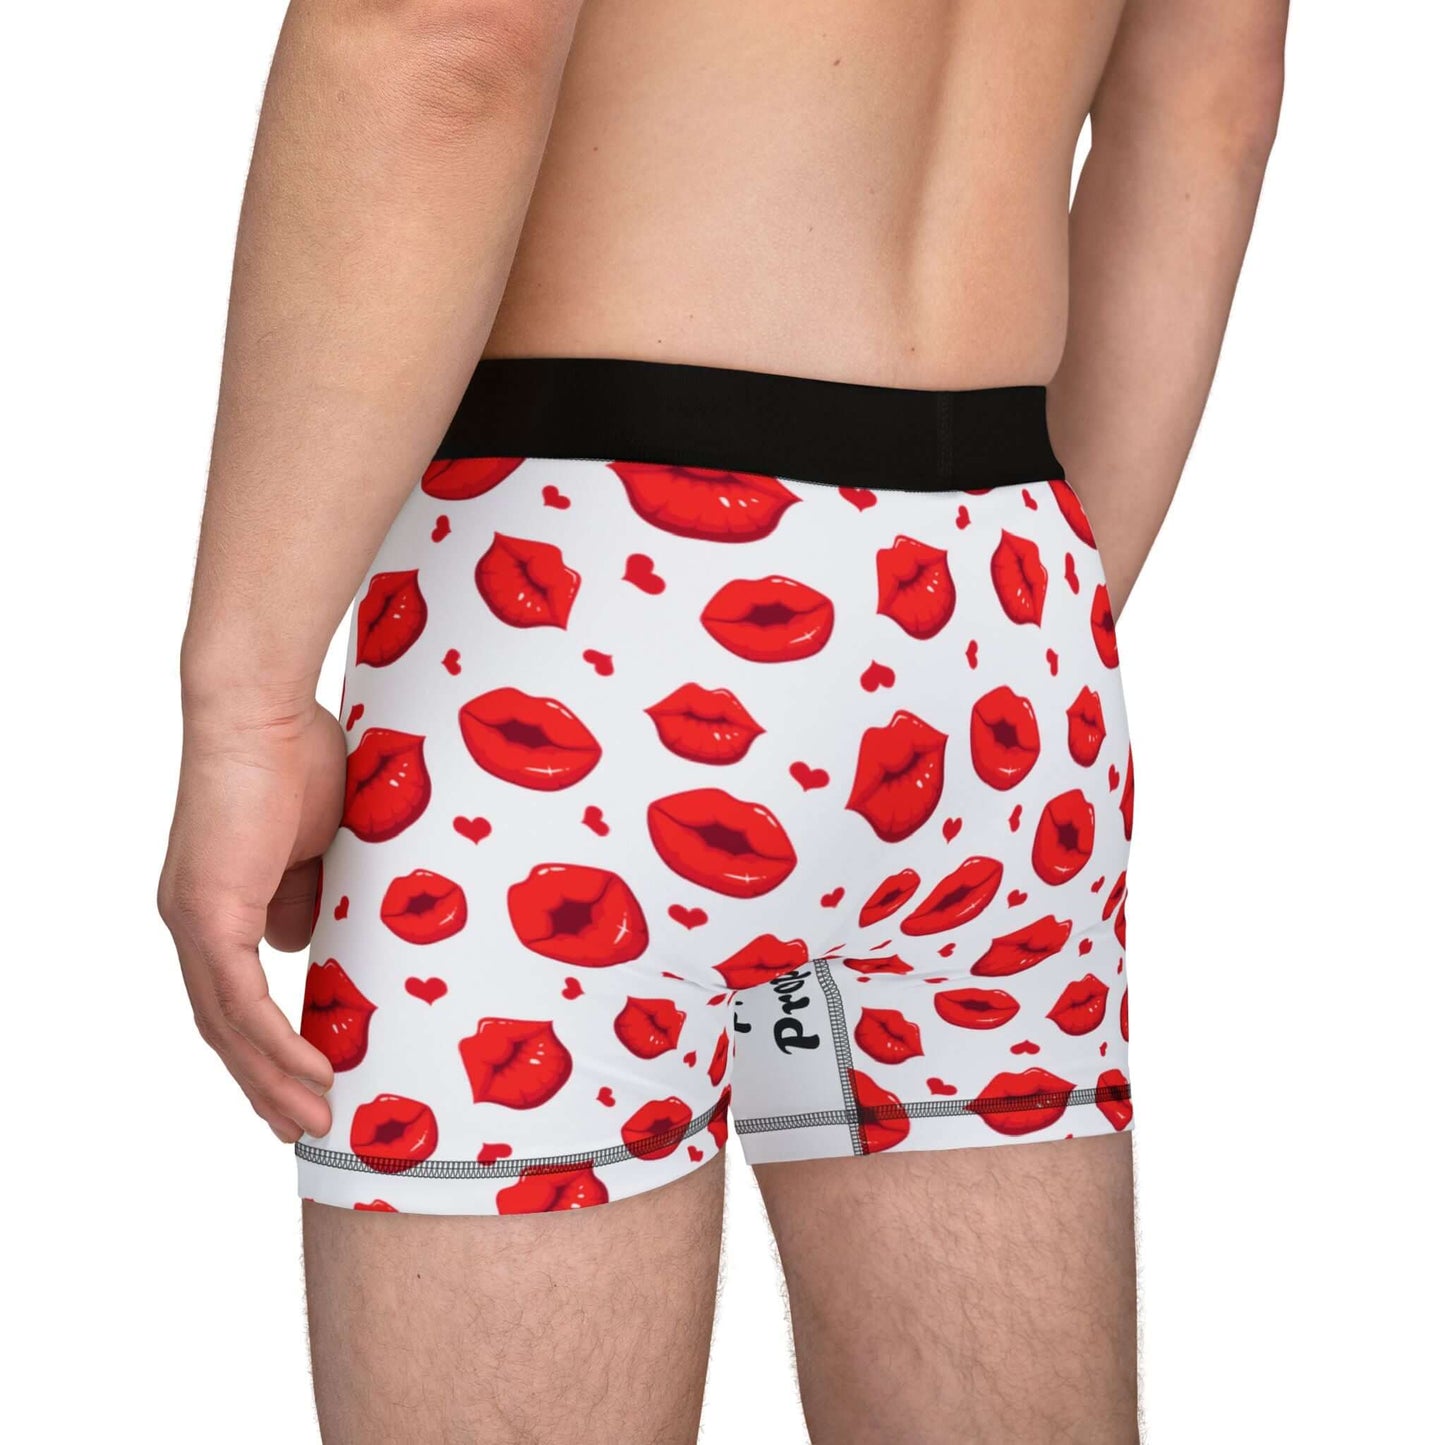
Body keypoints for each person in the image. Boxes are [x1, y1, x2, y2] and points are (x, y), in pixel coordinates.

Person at [157, 0, 1287, 1438]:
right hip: (1003, 610)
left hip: (579, 612)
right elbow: (1212, 94)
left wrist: (248, 701)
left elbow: (442, 33)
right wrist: (1026, 611)